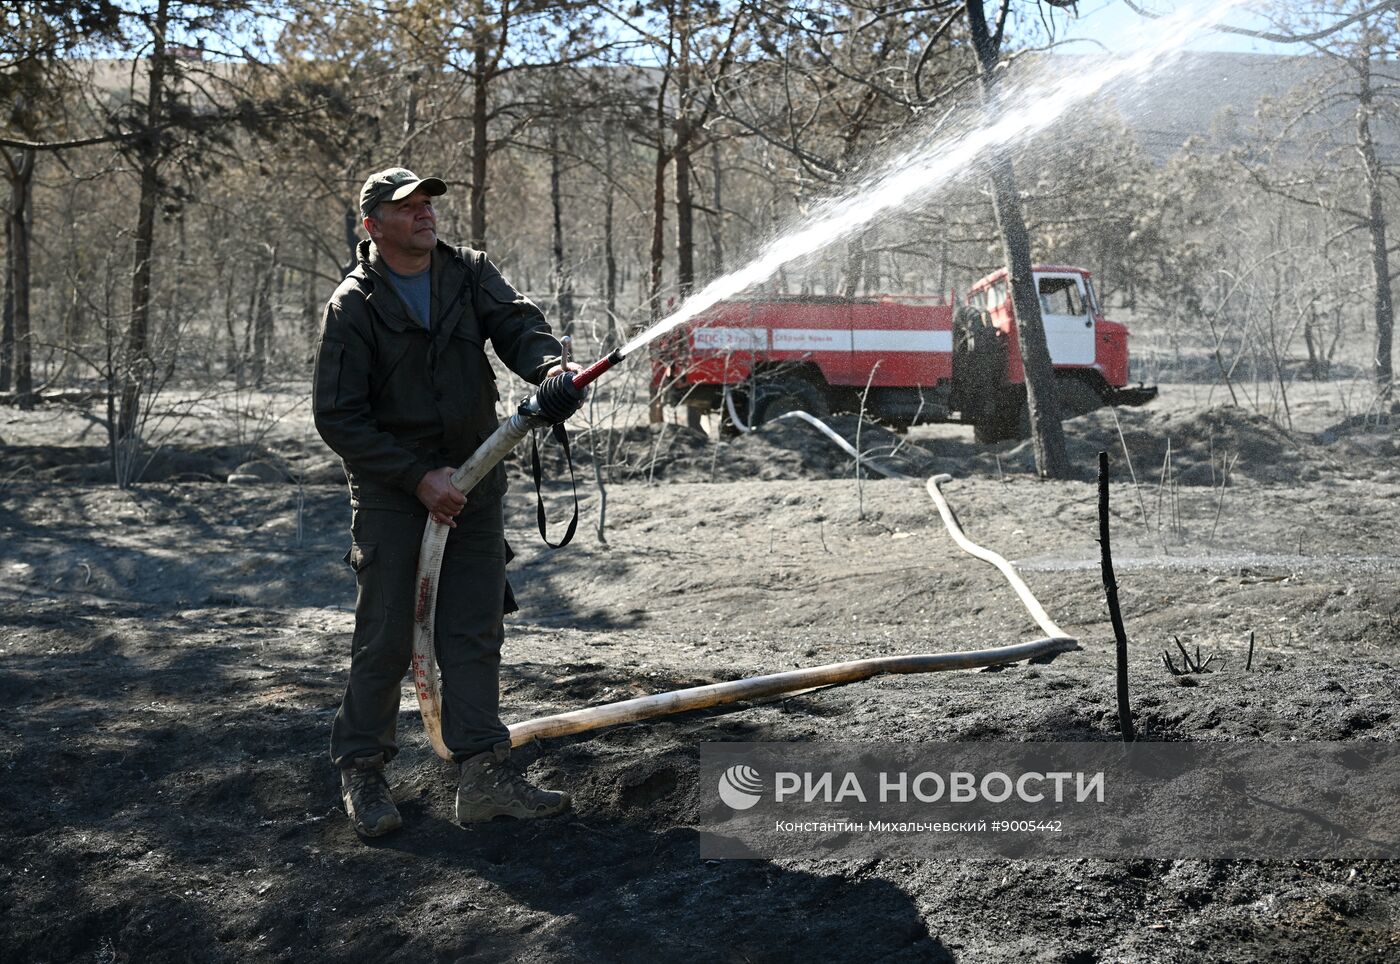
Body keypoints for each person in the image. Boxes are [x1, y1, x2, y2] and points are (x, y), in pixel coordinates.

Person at [314, 167, 581, 837]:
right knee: (385, 637)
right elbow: (338, 418)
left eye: (428, 203)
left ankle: (484, 776)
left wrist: (551, 369)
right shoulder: (354, 306)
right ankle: (364, 774)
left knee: (472, 628)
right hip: (395, 498)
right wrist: (415, 478)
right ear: (373, 225)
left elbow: (519, 326)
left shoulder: (467, 272)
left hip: (475, 487)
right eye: (407, 208)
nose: (425, 215)